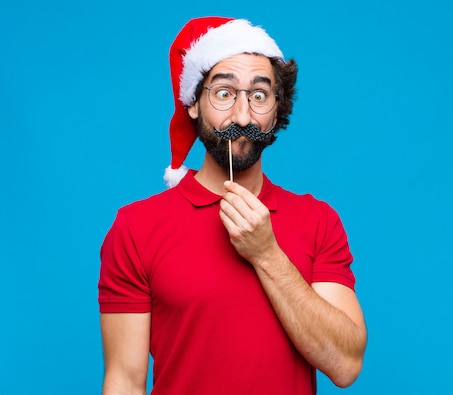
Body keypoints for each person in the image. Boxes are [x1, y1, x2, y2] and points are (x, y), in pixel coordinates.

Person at [97, 16, 367, 395]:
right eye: (224, 93)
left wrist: (267, 253)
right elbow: (124, 380)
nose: (242, 116)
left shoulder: (318, 220)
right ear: (193, 103)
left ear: (277, 109)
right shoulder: (136, 227)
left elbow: (346, 365)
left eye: (259, 96)